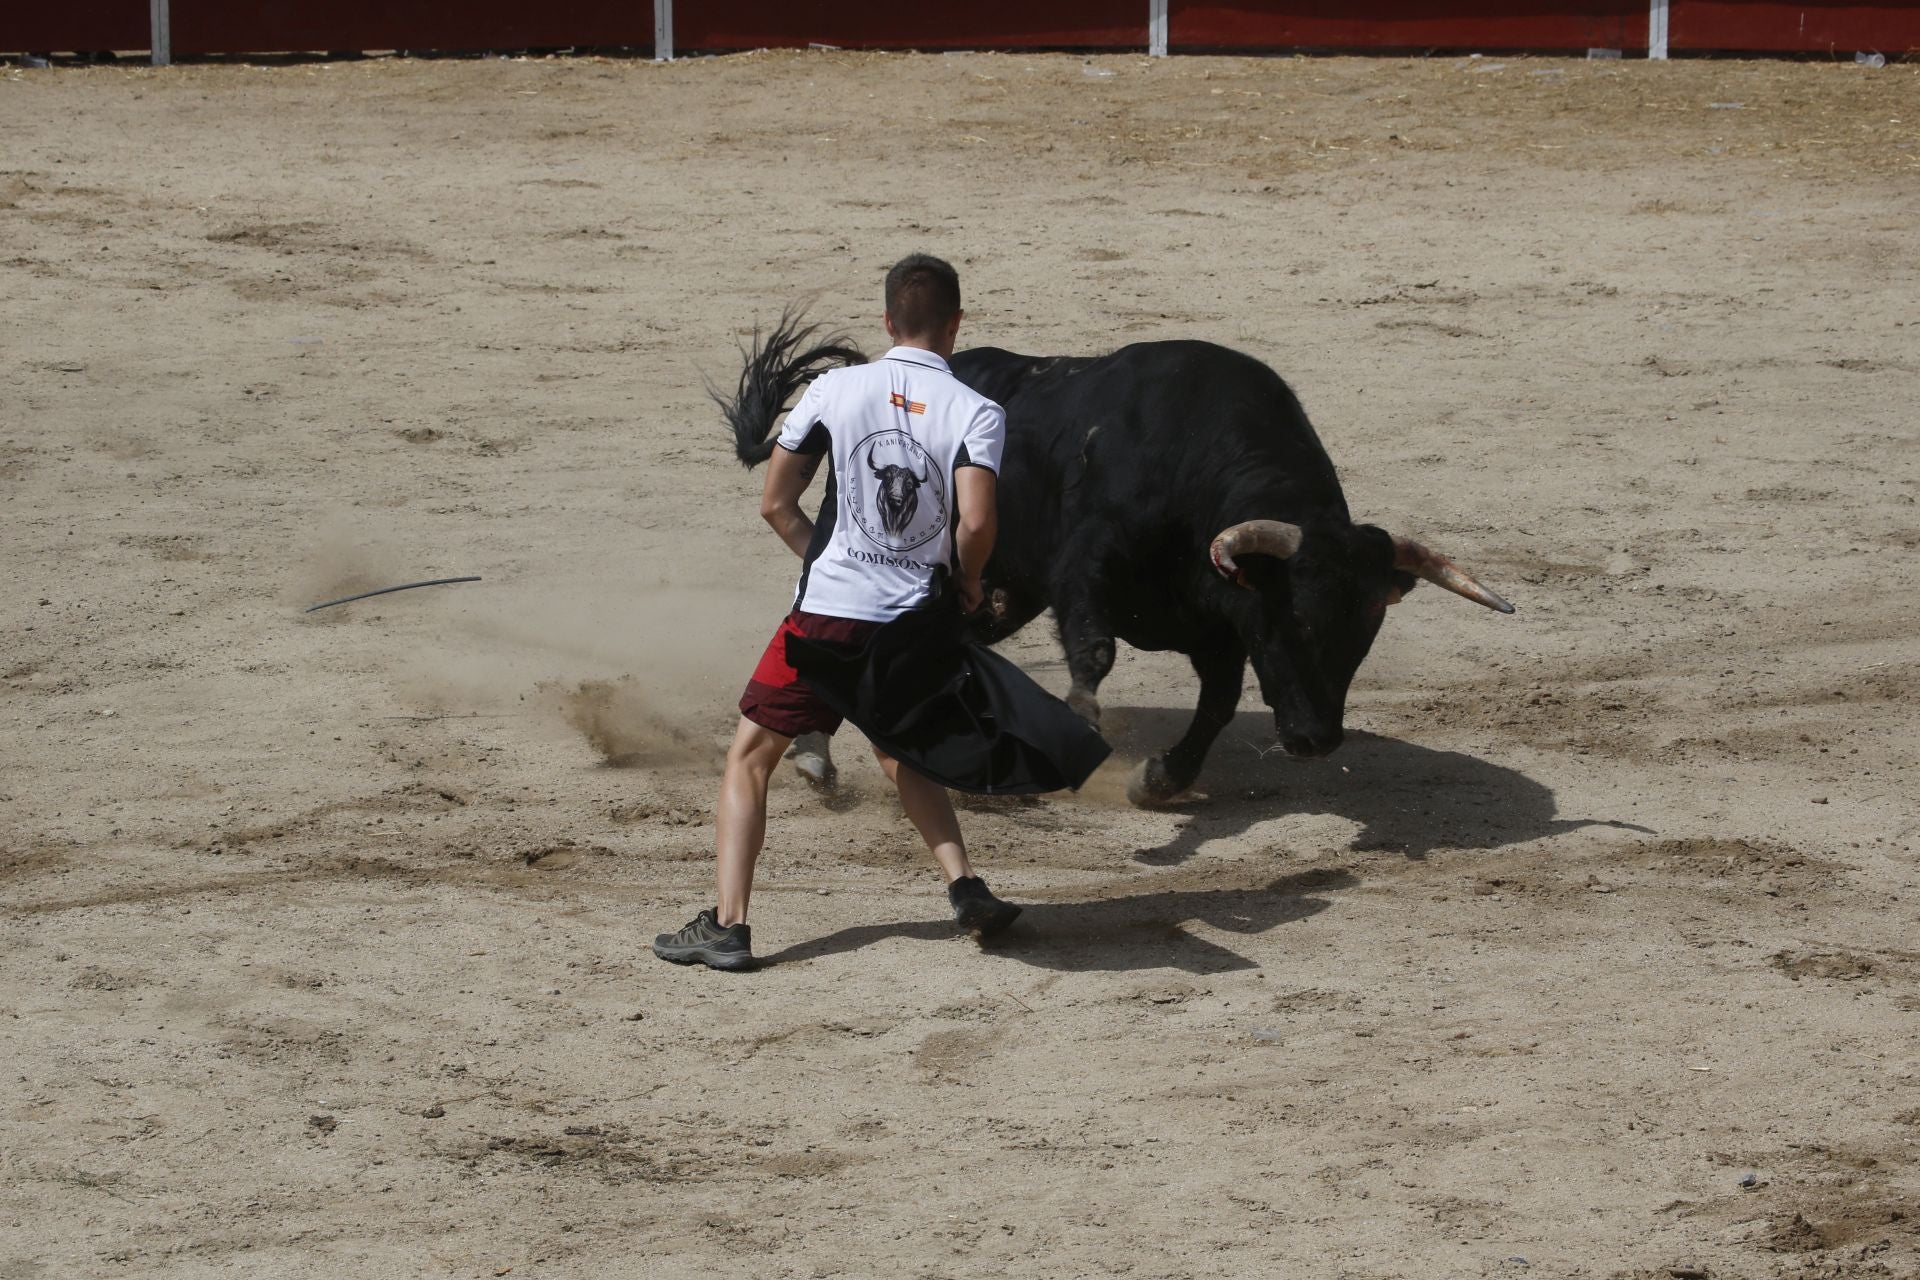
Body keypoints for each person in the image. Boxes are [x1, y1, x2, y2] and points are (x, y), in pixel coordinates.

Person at [654, 254, 1021, 972]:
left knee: (750, 760)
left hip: (825, 615)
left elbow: (775, 503)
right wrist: (968, 582)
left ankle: (729, 926)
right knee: (901, 750)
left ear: (888, 321)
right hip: (911, 618)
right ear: (955, 325)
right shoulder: (978, 412)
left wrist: (822, 562)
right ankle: (966, 888)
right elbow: (975, 524)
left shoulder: (835, 389)